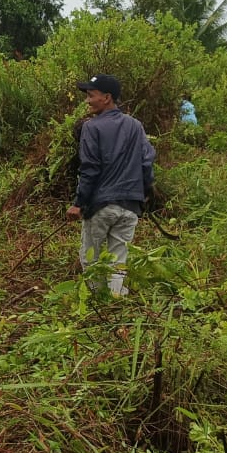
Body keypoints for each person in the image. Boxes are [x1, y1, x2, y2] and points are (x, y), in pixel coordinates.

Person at [66, 74, 156, 296]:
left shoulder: (92, 128)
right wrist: (144, 193)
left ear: (106, 98)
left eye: (90, 95)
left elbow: (90, 168)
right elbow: (147, 161)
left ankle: (97, 302)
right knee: (118, 260)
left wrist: (78, 203)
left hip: (101, 206)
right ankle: (116, 301)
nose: (87, 101)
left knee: (91, 258)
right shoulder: (135, 125)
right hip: (130, 207)